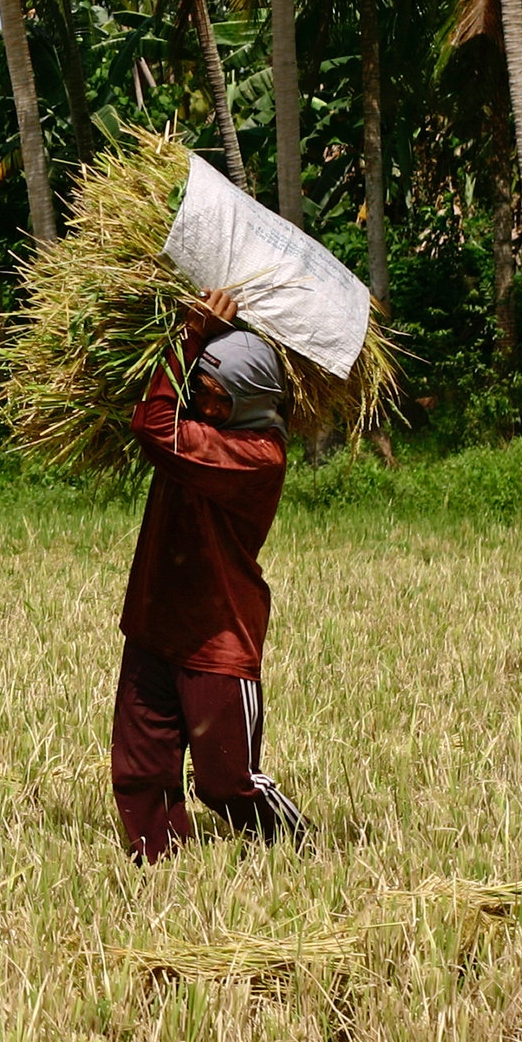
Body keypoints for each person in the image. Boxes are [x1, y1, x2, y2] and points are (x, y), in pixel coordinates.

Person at [111, 287, 312, 862]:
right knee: (140, 771)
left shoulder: (255, 456)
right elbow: (158, 412)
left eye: (214, 396)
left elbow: (154, 424)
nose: (199, 401)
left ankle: (299, 846)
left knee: (227, 782)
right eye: (197, 388)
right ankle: (159, 867)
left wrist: (191, 332)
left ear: (249, 401)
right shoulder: (205, 428)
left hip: (218, 637)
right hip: (155, 622)